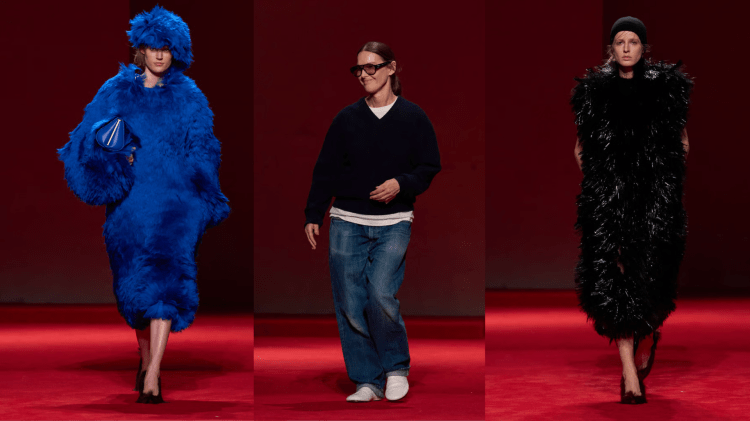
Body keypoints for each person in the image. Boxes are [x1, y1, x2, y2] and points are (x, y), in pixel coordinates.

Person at [58, 6, 229, 404]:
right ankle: (145, 360)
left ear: (177, 51)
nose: (159, 54)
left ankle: (154, 374)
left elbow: (204, 149)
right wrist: (114, 158)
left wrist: (202, 199)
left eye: (166, 47)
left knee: (166, 283)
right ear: (141, 48)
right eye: (153, 46)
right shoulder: (116, 91)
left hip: (176, 203)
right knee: (134, 287)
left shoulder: (190, 97)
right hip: (130, 206)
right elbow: (83, 141)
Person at [304, 41, 441, 402]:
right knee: (350, 300)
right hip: (346, 219)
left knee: (380, 293)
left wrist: (401, 183)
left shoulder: (413, 117)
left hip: (394, 220)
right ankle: (367, 380)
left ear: (391, 68)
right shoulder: (346, 119)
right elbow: (326, 169)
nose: (363, 75)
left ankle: (395, 369)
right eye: (358, 69)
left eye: (371, 67)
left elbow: (429, 166)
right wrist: (314, 213)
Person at [571, 16, 693, 404]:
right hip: (609, 201)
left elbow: (682, 143)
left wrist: (666, 188)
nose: (626, 48)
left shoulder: (666, 89)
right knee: (615, 278)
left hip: (654, 201)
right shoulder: (594, 93)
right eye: (620, 41)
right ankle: (628, 374)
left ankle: (646, 333)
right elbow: (581, 148)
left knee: (651, 275)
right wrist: (602, 185)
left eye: (633, 41)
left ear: (644, 48)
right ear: (611, 48)